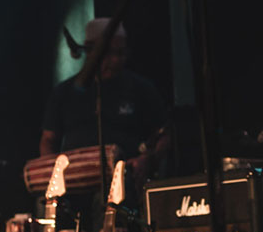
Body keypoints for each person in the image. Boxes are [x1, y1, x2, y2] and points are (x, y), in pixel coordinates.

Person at [40, 18, 168, 183]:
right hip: (74, 183)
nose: (115, 60)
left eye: (121, 53)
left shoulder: (141, 88)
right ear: (90, 50)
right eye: (109, 52)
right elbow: (49, 139)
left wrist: (147, 160)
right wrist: (54, 173)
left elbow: (163, 135)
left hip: (126, 182)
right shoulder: (64, 92)